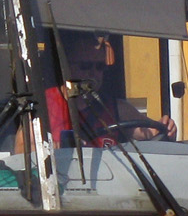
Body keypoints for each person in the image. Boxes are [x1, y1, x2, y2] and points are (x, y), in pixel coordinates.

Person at [45, 32, 175, 147]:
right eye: (85, 66)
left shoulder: (117, 108)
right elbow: (24, 146)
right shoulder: (45, 105)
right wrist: (58, 147)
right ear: (67, 67)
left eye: (99, 66)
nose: (93, 73)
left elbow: (151, 131)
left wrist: (167, 127)